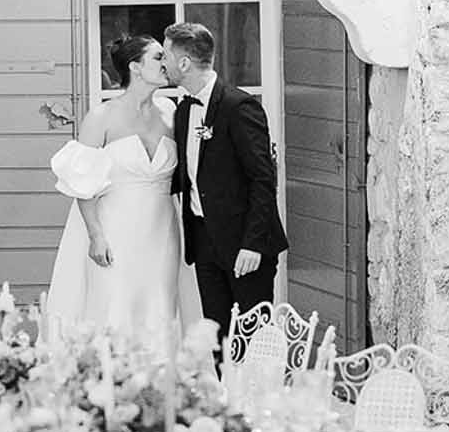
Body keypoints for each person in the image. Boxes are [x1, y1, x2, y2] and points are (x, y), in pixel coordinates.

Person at [44, 34, 200, 344]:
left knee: (159, 307)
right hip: (115, 229)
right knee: (113, 307)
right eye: (158, 57)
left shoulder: (171, 112)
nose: (166, 63)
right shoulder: (101, 116)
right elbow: (82, 184)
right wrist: (96, 236)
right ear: (135, 67)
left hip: (162, 231)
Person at [162, 20, 287, 340]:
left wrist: (253, 244)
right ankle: (220, 391)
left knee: (252, 338)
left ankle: (256, 392)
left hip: (245, 244)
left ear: (184, 62)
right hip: (204, 243)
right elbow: (187, 177)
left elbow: (263, 179)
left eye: (166, 55)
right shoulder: (182, 111)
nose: (164, 63)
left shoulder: (238, 106)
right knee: (217, 339)